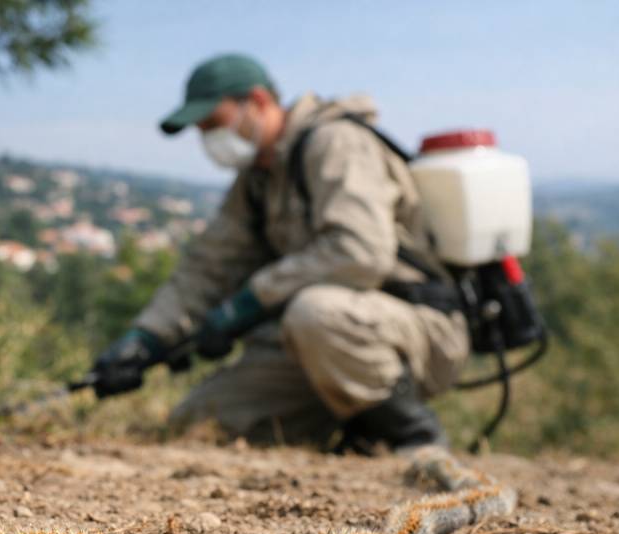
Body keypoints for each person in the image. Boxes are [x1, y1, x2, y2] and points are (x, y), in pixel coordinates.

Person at [90, 54, 470, 452]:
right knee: (198, 421)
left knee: (315, 312)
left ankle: (410, 435)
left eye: (214, 125)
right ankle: (344, 421)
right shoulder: (256, 180)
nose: (209, 140)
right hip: (313, 341)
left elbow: (359, 253)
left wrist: (250, 301)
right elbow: (207, 267)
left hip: (413, 327)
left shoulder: (336, 142)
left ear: (257, 101)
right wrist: (145, 339)